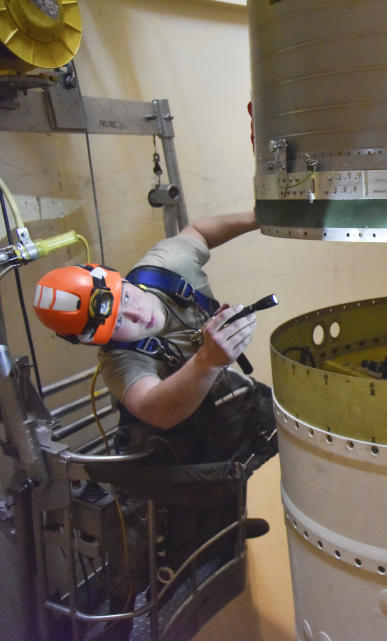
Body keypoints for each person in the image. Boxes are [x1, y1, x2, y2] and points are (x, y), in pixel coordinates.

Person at [33, 211, 278, 633]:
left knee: (233, 478)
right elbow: (157, 409)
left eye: (125, 299)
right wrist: (207, 361)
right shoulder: (119, 360)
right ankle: (127, 610)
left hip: (221, 413)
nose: (135, 316)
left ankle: (226, 539)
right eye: (117, 325)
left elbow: (198, 231)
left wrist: (261, 215)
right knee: (154, 537)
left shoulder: (163, 271)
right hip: (167, 446)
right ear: (98, 340)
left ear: (120, 279)